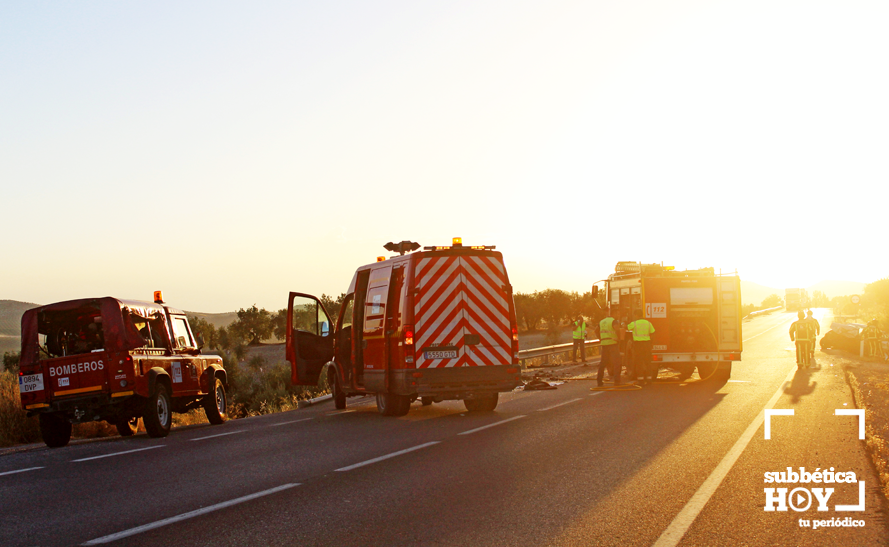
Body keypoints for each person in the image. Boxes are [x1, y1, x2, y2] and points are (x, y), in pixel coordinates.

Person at [627, 310, 656, 384]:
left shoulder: (634, 324)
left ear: (636, 315)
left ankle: (641, 379)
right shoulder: (648, 323)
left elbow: (627, 328)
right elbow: (653, 333)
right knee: (648, 362)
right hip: (647, 344)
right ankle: (649, 379)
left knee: (639, 362)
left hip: (638, 345)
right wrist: (650, 342)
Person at [597, 308, 622, 386]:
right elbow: (617, 329)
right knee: (617, 362)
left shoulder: (601, 321)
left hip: (604, 344)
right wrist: (619, 339)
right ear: (613, 314)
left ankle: (599, 381)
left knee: (603, 363)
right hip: (612, 344)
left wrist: (600, 338)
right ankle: (617, 381)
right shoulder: (614, 321)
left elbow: (595, 330)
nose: (618, 315)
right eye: (617, 313)